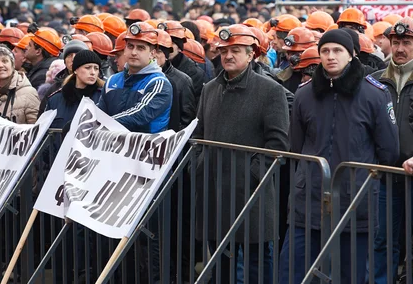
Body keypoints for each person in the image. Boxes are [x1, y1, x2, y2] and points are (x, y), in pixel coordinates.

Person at [280, 29, 399, 284]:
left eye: (337, 50)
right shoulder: (304, 94)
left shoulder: (375, 95)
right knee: (293, 272)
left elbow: (389, 150)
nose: (330, 56)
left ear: (352, 55)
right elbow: (296, 145)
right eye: (325, 51)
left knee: (351, 274)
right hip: (308, 201)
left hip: (355, 202)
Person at [193, 24, 289, 284]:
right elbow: (198, 135)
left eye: (236, 50)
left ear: (251, 55)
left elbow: (278, 144)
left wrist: (252, 173)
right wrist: (200, 164)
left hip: (252, 194)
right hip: (214, 193)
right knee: (221, 264)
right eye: (224, 50)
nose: (228, 56)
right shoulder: (209, 89)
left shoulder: (271, 91)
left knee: (258, 265)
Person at [372, 16, 413, 284]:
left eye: (406, 42)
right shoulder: (374, 81)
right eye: (395, 41)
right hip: (385, 176)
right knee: (383, 241)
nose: (399, 48)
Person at [98, 22, 172, 133]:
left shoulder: (159, 83)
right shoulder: (112, 81)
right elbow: (99, 113)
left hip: (146, 148)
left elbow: (140, 115)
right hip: (112, 147)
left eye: (140, 48)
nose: (134, 52)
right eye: (130, 46)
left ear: (152, 53)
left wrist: (102, 125)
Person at [44, 49, 103, 129]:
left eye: (96, 68)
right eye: (87, 67)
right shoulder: (55, 99)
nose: (93, 72)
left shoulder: (102, 98)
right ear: (75, 70)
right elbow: (44, 134)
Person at [153, 29, 196, 131]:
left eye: (159, 51)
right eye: (151, 50)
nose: (153, 55)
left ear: (166, 56)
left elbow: (187, 120)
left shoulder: (183, 81)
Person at [158, 20, 206, 105]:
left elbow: (189, 110)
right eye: (161, 45)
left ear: (179, 47)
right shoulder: (155, 66)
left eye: (171, 43)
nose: (166, 48)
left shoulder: (193, 72)